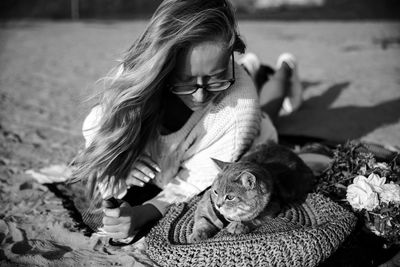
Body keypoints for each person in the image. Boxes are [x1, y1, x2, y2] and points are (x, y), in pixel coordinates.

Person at [71, 0, 302, 241]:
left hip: (254, 134)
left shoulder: (240, 110)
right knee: (232, 83)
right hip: (229, 81)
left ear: (229, 58)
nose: (201, 95)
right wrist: (118, 162)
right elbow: (98, 126)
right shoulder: (138, 73)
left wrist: (142, 213)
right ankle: (248, 68)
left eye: (216, 77)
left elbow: (191, 182)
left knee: (269, 113)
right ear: (164, 67)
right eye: (186, 80)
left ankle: (285, 69)